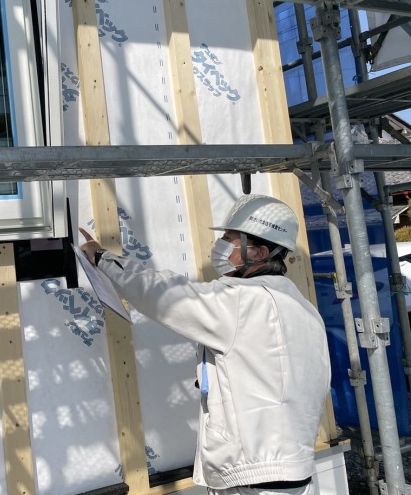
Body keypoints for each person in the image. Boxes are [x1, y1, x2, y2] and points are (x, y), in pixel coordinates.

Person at [79, 194, 331, 495]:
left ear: (260, 252)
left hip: (254, 476)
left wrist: (103, 259)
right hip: (291, 468)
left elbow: (166, 294)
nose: (219, 246)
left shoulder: (244, 302)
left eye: (229, 240)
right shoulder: (303, 308)